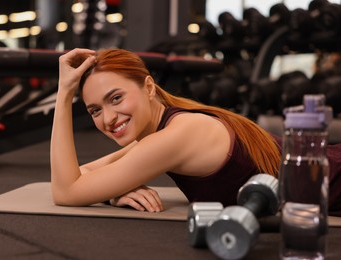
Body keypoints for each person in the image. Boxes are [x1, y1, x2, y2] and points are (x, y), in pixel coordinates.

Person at [51, 48, 341, 216]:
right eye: (95, 110)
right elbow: (79, 175)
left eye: (116, 98)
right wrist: (115, 191)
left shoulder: (175, 137)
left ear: (149, 87)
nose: (109, 118)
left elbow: (66, 190)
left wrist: (64, 94)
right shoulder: (163, 132)